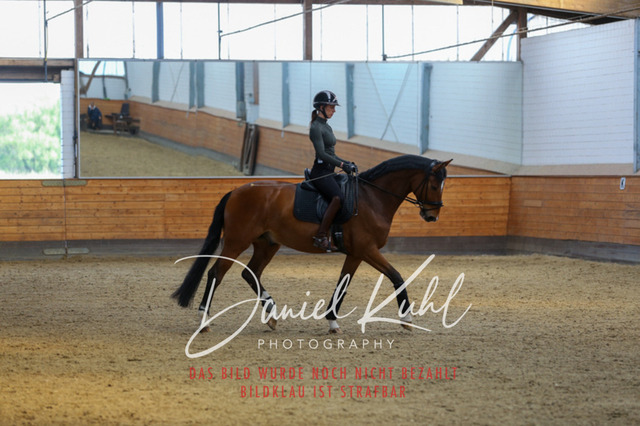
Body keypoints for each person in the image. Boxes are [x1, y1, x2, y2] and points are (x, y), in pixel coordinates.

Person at [308, 90, 357, 252]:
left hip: (329, 170)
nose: (334, 110)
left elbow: (331, 154)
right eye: (331, 107)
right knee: (337, 198)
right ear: (321, 107)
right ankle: (321, 236)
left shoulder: (326, 126)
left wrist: (346, 163)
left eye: (334, 107)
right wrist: (342, 165)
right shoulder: (316, 127)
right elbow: (322, 154)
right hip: (320, 172)